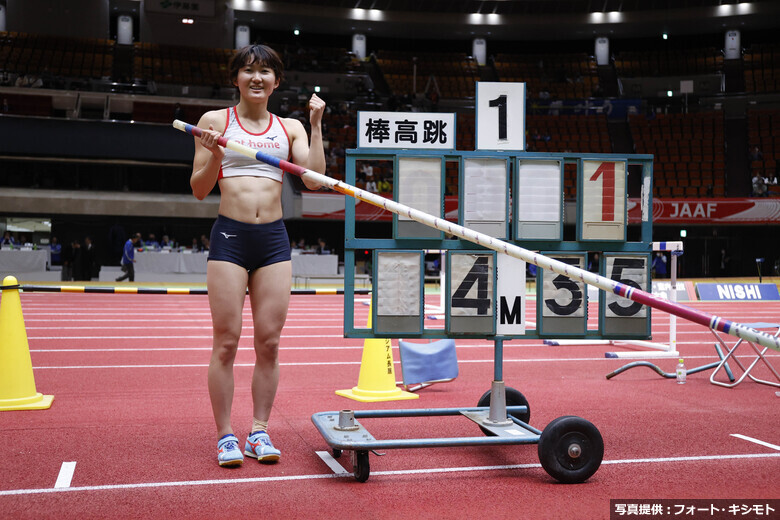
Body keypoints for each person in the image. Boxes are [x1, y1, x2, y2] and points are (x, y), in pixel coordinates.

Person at [189, 44, 326, 468]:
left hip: (273, 241)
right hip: (230, 237)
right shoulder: (215, 122)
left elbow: (315, 182)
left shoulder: (290, 128)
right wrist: (214, 153)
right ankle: (226, 435)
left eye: (265, 72)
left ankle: (260, 431)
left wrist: (317, 125)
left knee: (268, 342)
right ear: (236, 78)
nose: (257, 78)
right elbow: (198, 188)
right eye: (248, 71)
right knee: (226, 342)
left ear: (276, 81)